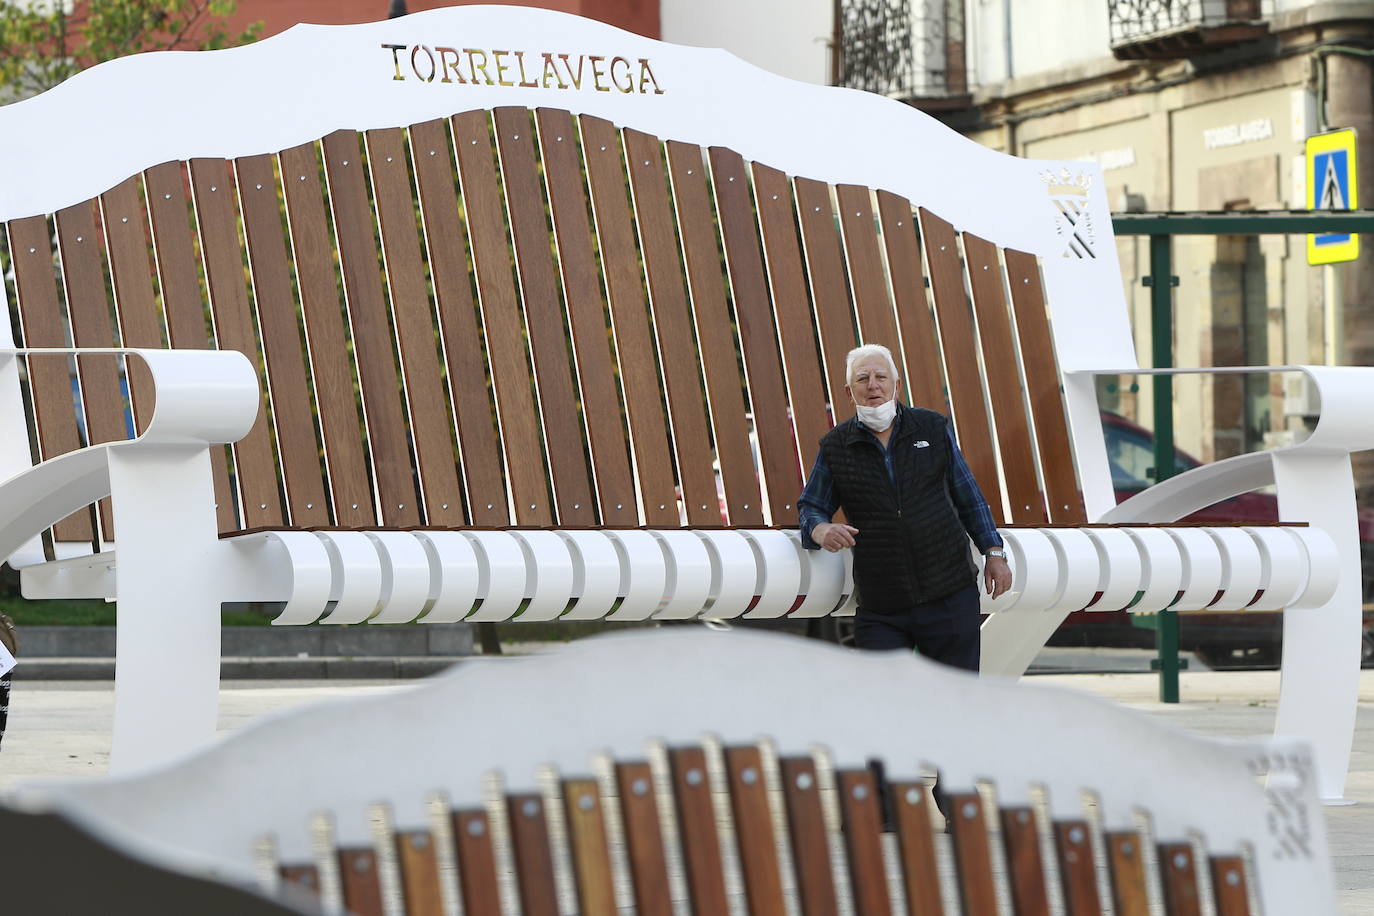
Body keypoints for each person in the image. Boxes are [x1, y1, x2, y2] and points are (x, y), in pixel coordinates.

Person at [799, 343, 1012, 668]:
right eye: (862, 379)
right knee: (887, 709)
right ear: (848, 391)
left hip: (949, 595)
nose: (873, 385)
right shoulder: (835, 446)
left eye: (881, 377)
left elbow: (969, 497)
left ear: (897, 386)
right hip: (882, 607)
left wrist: (993, 553)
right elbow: (811, 506)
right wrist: (820, 528)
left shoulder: (932, 428)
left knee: (956, 704)